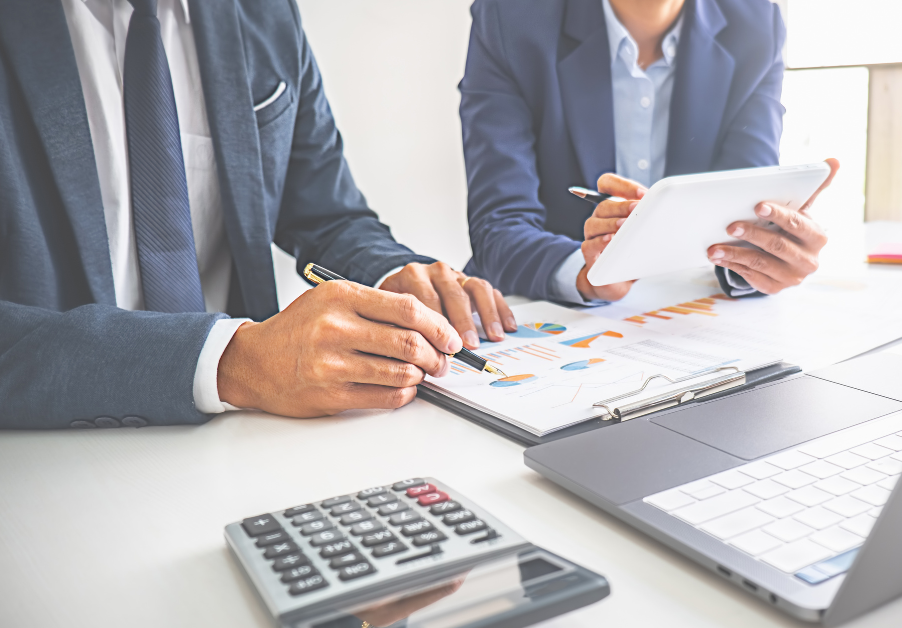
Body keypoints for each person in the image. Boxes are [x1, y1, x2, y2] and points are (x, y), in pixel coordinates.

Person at [0, 0, 516, 430]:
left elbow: (326, 213)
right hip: (48, 453)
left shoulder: (265, 14)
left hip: (242, 436)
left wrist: (389, 275)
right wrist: (231, 359)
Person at [459, 0, 838, 305]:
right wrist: (589, 272)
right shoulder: (511, 17)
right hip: (542, 311)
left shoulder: (755, 22)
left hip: (691, 314)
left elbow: (742, 221)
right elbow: (498, 226)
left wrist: (765, 258)